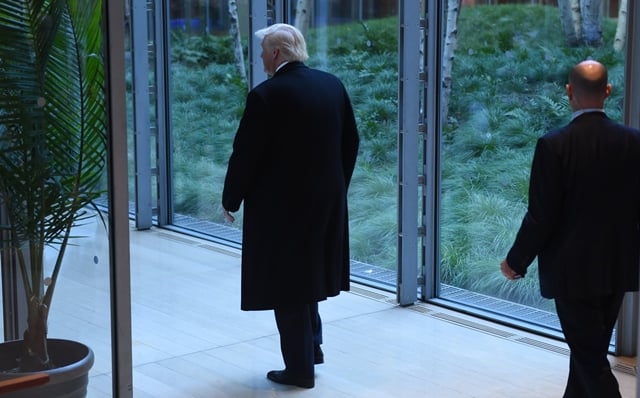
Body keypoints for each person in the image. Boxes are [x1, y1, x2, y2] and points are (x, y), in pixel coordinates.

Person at [221, 23, 359, 389]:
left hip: (283, 210)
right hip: (326, 203)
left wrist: (231, 198)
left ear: (277, 53)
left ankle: (299, 371)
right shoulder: (332, 85)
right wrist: (335, 186)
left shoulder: (267, 95)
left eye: (264, 51)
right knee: (308, 277)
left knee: (288, 286)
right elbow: (351, 141)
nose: (262, 58)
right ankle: (311, 349)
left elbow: (246, 155)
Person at [500, 59, 640, 398]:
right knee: (586, 354)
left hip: (571, 272)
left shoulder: (553, 145)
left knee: (589, 358)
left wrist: (516, 261)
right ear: (608, 91)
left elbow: (541, 215)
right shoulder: (633, 141)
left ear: (568, 92)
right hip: (616, 267)